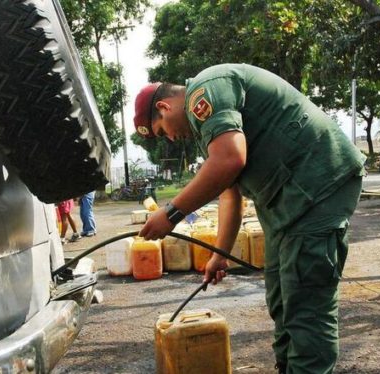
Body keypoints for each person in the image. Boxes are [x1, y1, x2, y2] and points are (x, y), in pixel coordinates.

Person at [134, 64, 365, 374]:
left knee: (306, 307)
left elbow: (230, 159)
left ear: (163, 107)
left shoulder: (206, 88)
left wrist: (172, 213)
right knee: (282, 302)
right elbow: (230, 193)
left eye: (163, 130)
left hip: (317, 186)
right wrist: (219, 255)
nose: (172, 139)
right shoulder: (209, 128)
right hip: (288, 202)